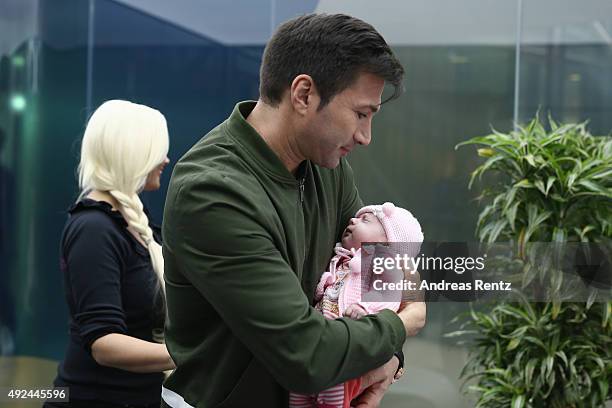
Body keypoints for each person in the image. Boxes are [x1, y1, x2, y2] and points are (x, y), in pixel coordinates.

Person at [161, 13, 427, 408]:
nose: (365, 137)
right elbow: (308, 354)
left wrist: (390, 359)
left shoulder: (326, 167)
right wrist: (403, 326)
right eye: (361, 114)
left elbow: (384, 268)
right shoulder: (212, 190)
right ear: (303, 94)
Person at [44, 100, 175, 408]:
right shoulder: (94, 228)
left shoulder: (132, 220)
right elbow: (104, 344)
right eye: (158, 150)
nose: (166, 160)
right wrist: (190, 354)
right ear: (131, 154)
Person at [290, 202, 424, 408]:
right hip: (324, 339)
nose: (352, 219)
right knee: (299, 391)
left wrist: (366, 309)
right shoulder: (344, 257)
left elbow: (390, 294)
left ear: (387, 242)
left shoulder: (383, 264)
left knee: (334, 386)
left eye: (365, 220)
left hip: (352, 342)